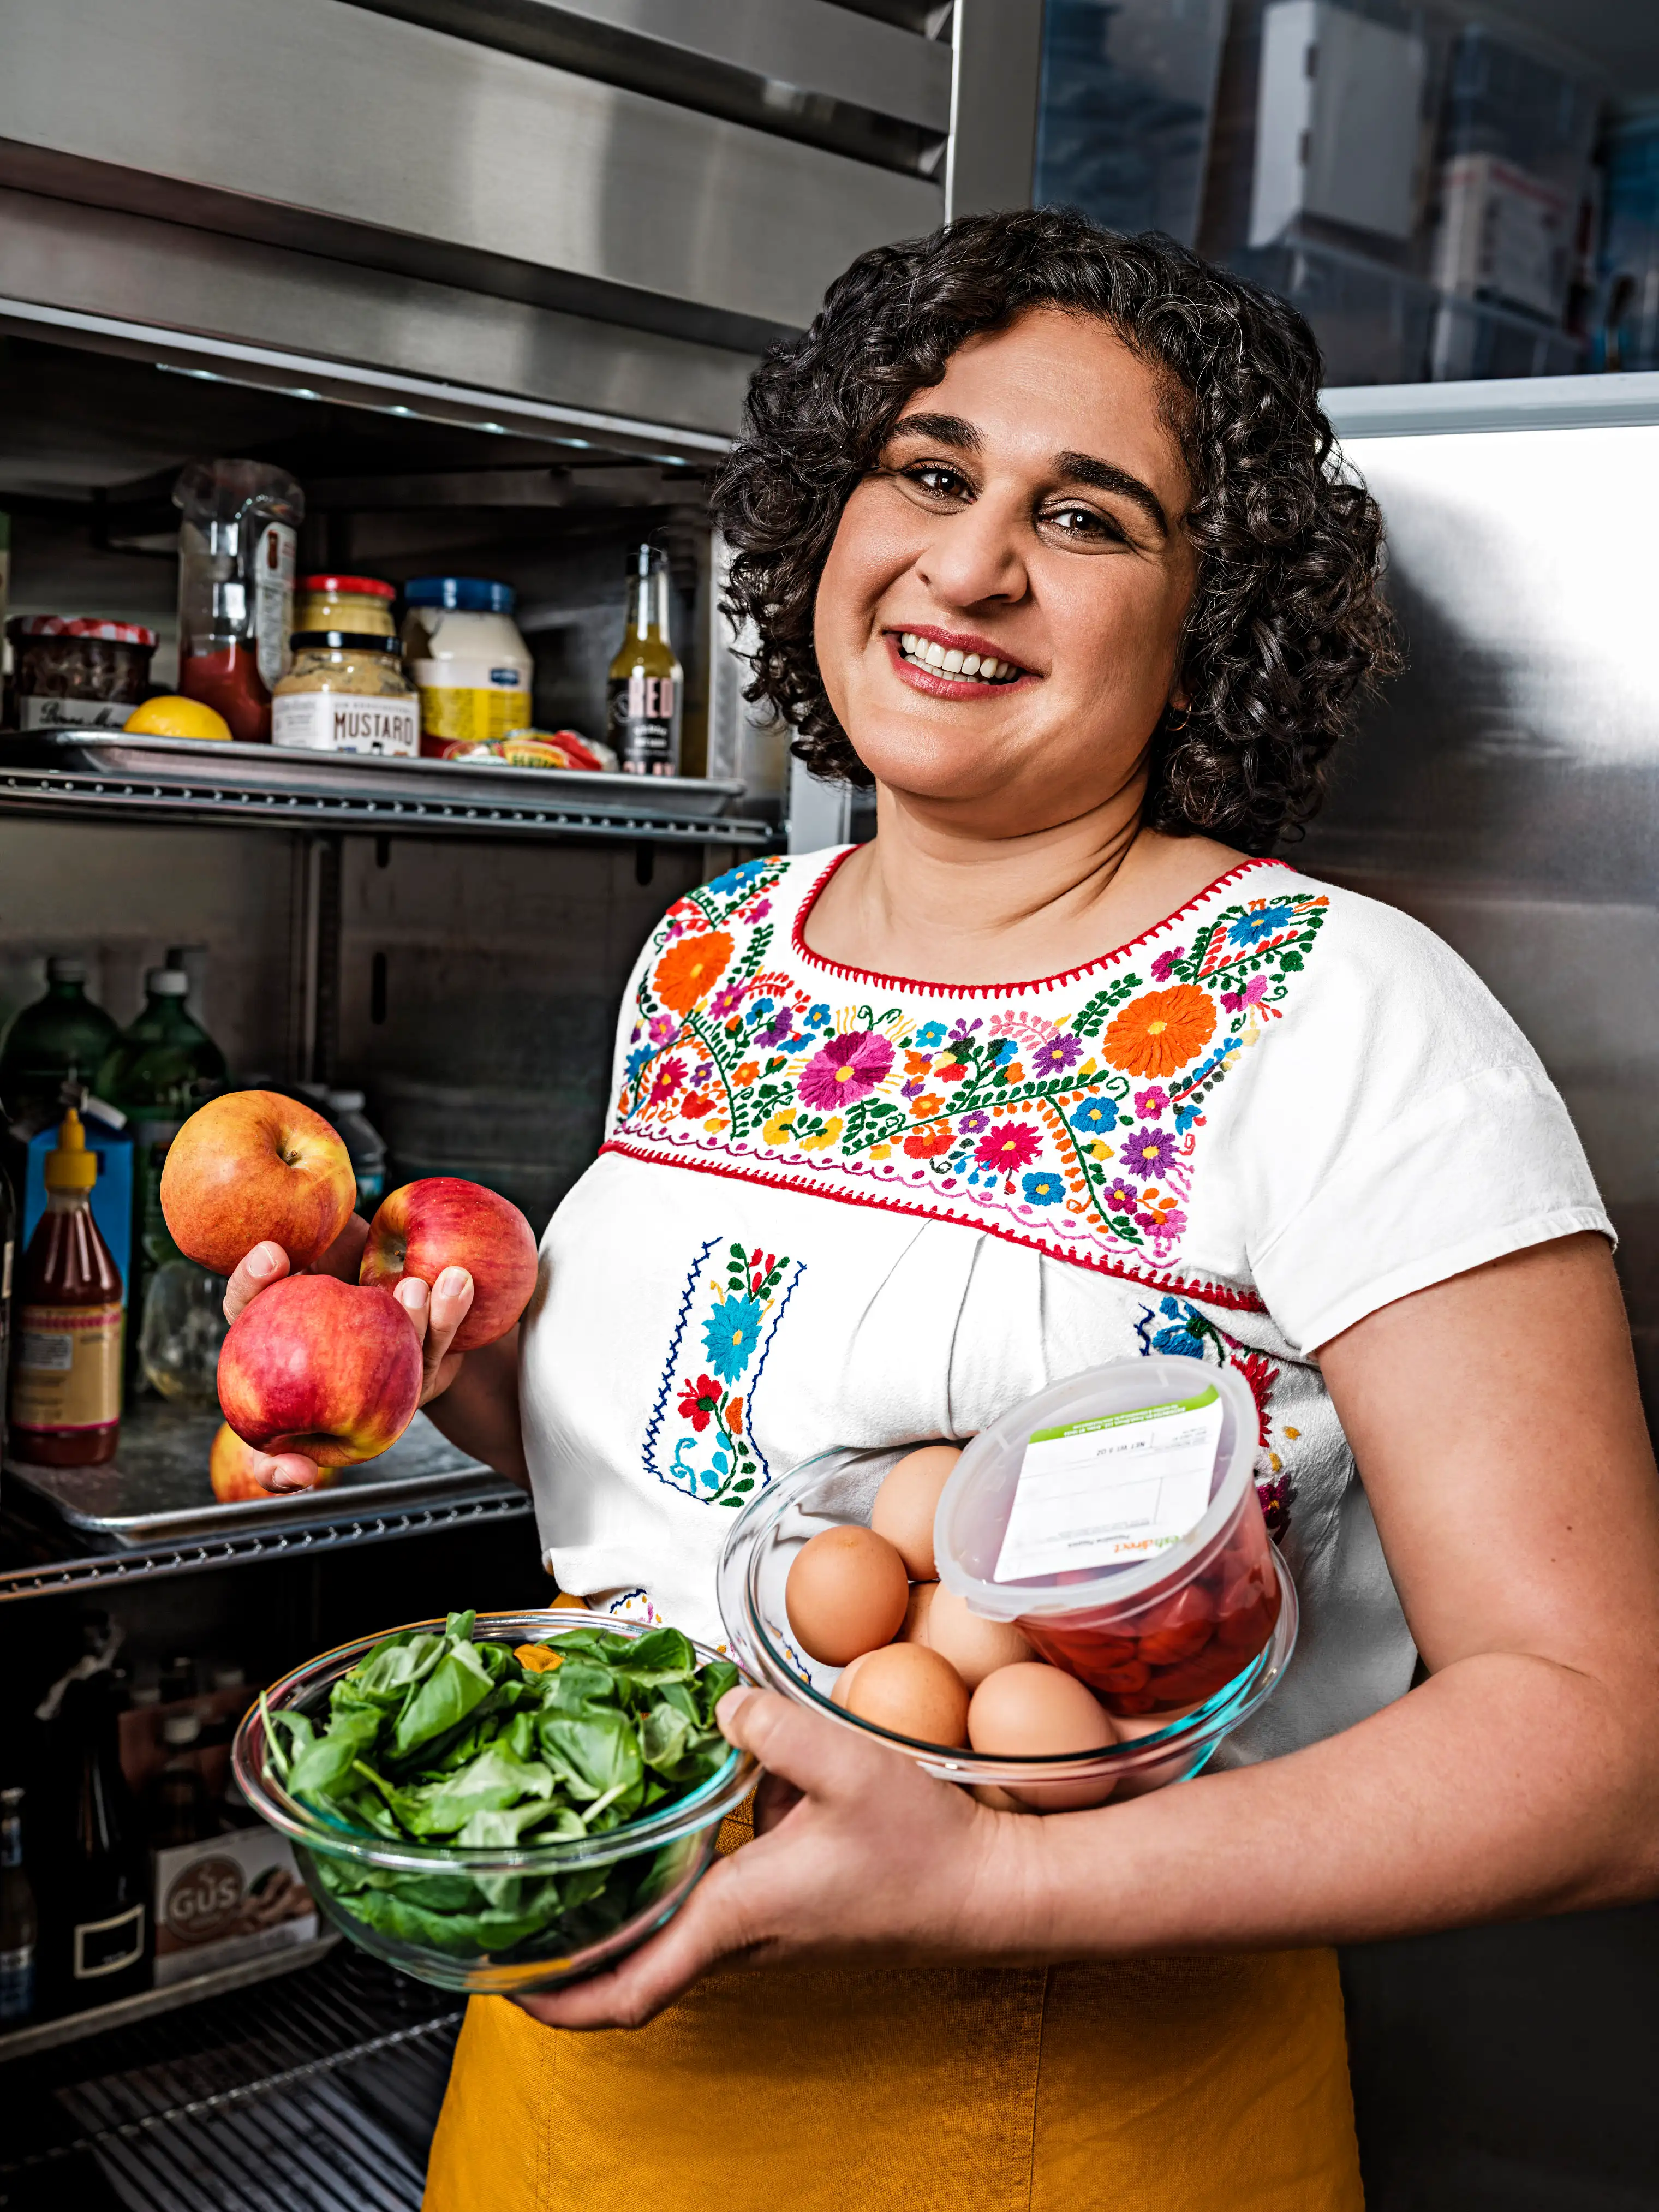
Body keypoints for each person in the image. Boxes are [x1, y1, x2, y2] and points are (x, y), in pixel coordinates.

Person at [228, 211, 1659, 2210]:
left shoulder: (1343, 1012)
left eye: (1086, 517)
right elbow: (700, 1470)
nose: (970, 562)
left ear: (1206, 617)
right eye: (927, 468)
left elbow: (1600, 1746)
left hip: (1077, 2106)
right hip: (580, 2076)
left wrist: (1001, 1877)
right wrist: (425, 1374)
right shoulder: (719, 957)